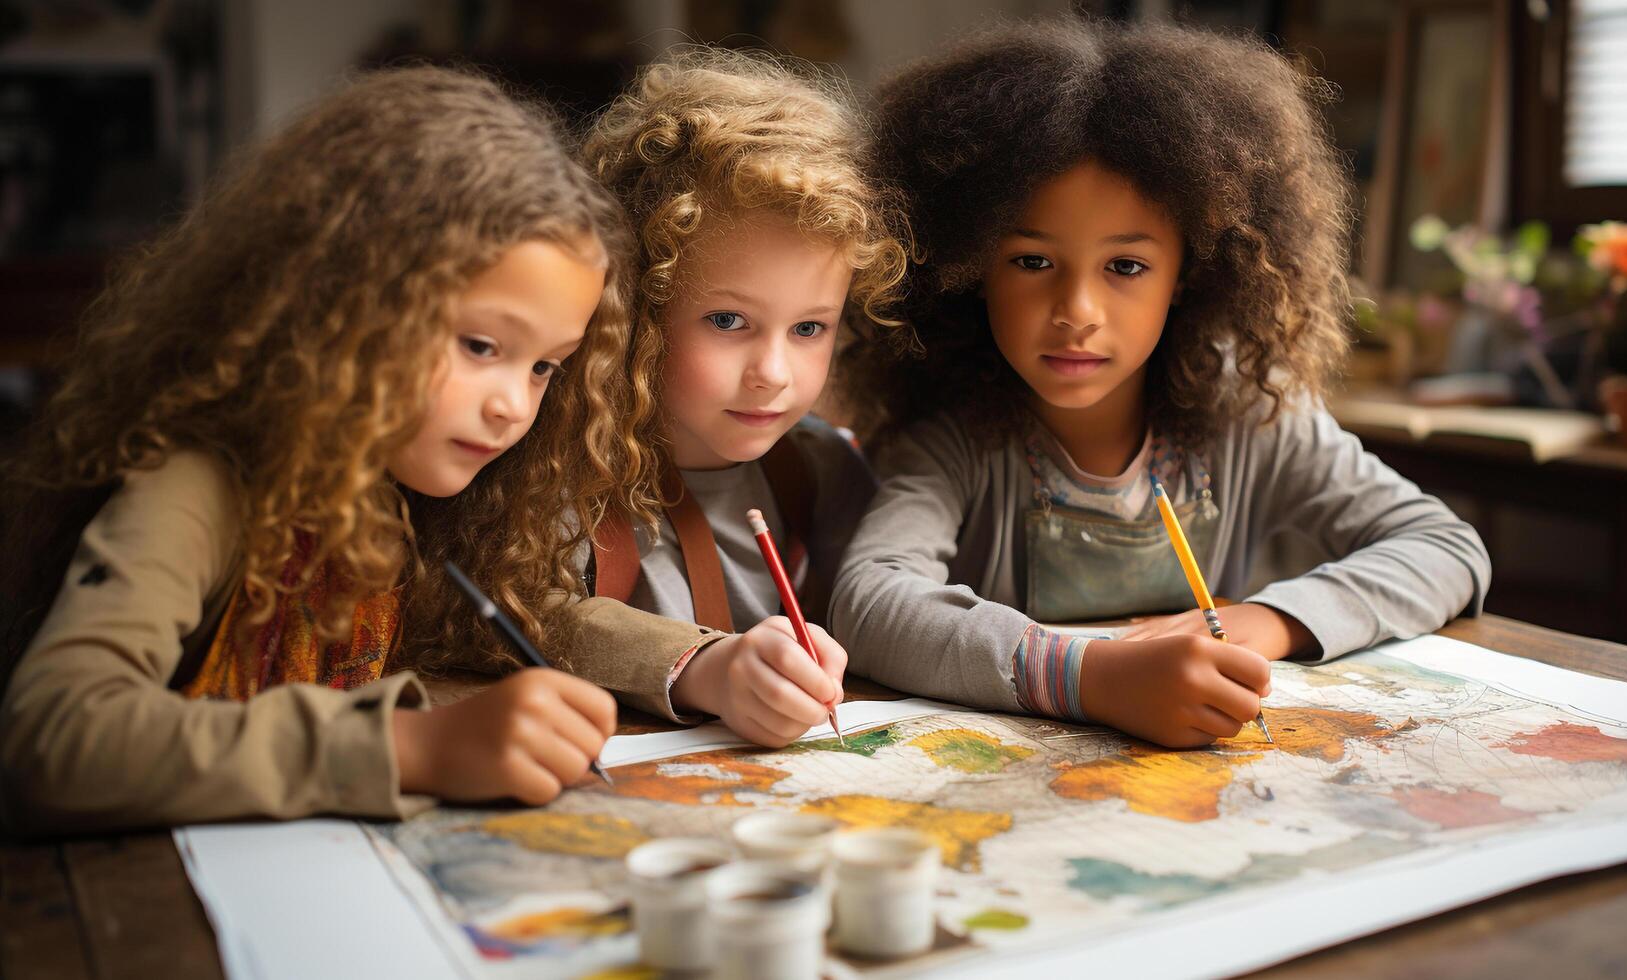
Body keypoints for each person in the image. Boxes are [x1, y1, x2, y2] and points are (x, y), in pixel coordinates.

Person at [0, 67, 707, 834]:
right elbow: (54, 735)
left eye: (544, 366)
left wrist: (697, 665)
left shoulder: (403, 483)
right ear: (343, 307)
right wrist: (408, 748)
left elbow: (506, 613)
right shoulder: (196, 488)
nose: (513, 405)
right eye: (478, 345)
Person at [832, 20, 1491, 748]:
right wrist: (1092, 677)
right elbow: (869, 603)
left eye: (1125, 267)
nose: (1076, 313)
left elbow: (1442, 545)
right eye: (1030, 262)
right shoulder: (954, 441)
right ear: (966, 269)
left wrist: (1267, 621)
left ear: (1191, 273)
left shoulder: (1249, 415)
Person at [579, 49, 910, 746]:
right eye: (727, 321)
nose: (772, 371)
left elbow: (892, 597)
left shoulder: (821, 469)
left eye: (808, 328)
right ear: (635, 307)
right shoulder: (567, 472)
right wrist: (708, 667)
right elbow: (531, 612)